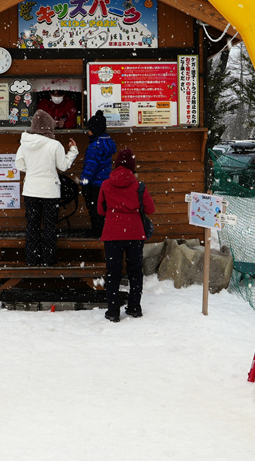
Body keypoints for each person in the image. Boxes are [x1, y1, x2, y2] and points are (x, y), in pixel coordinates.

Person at [14, 109, 78, 265]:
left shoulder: (25, 144)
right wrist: (73, 150)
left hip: (30, 190)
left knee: (32, 226)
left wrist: (33, 171)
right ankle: (49, 260)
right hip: (50, 192)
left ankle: (32, 259)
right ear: (49, 126)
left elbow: (19, 164)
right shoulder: (54, 145)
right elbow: (63, 166)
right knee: (50, 227)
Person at [97, 148, 155, 322]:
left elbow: (100, 210)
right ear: (133, 166)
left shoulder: (106, 184)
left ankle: (113, 311)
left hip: (112, 234)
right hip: (135, 234)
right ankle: (134, 307)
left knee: (113, 273)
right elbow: (150, 209)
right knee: (135, 272)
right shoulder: (139, 186)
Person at [80, 110, 116, 239]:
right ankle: (104, 230)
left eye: (89, 129)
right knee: (102, 208)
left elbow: (90, 167)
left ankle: (97, 231)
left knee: (94, 208)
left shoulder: (95, 146)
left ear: (95, 129)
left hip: (94, 183)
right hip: (105, 182)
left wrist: (84, 183)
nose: (87, 132)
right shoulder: (107, 142)